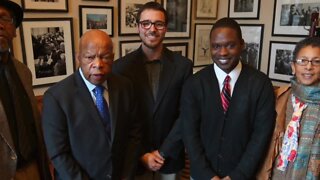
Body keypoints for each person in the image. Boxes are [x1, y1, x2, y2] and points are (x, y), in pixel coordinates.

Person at [181, 17, 276, 180]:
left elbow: (261, 136)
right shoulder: (194, 84)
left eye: (230, 45)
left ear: (242, 45)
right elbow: (189, 133)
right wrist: (207, 175)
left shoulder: (260, 84)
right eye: (216, 46)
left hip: (244, 176)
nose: (223, 52)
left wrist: (237, 176)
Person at [42, 29, 141, 180]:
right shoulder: (56, 97)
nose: (98, 64)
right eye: (90, 57)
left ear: (113, 58)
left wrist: (126, 176)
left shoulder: (125, 87)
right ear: (78, 58)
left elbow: (134, 134)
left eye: (105, 57)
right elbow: (58, 153)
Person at [113, 2, 193, 180]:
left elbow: (186, 114)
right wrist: (142, 154)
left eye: (159, 24)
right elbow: (120, 119)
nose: (152, 29)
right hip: (134, 160)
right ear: (138, 28)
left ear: (165, 29)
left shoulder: (183, 66)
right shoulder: (120, 68)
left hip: (170, 158)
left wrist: (164, 152)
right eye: (146, 23)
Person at [0, 1, 51, 179]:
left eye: (4, 18)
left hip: (32, 168)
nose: (0, 25)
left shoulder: (24, 72)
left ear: (14, 30)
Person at [257, 37, 320, 180]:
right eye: (302, 61)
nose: (308, 67)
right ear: (293, 66)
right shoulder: (279, 97)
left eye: (316, 62)